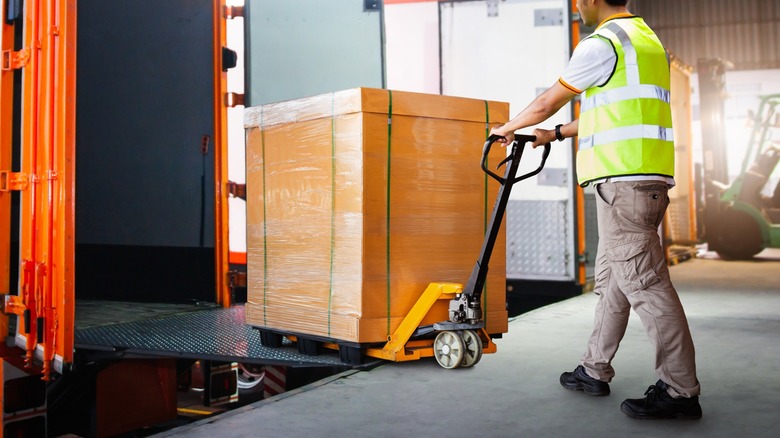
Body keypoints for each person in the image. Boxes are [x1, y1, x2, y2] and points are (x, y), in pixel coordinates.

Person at [490, 0, 702, 420]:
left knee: (646, 285)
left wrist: (507, 127)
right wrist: (554, 134)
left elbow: (549, 99)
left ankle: (680, 391)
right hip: (639, 182)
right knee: (613, 281)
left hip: (624, 186)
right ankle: (594, 369)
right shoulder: (644, 39)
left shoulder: (602, 42)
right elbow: (610, 115)